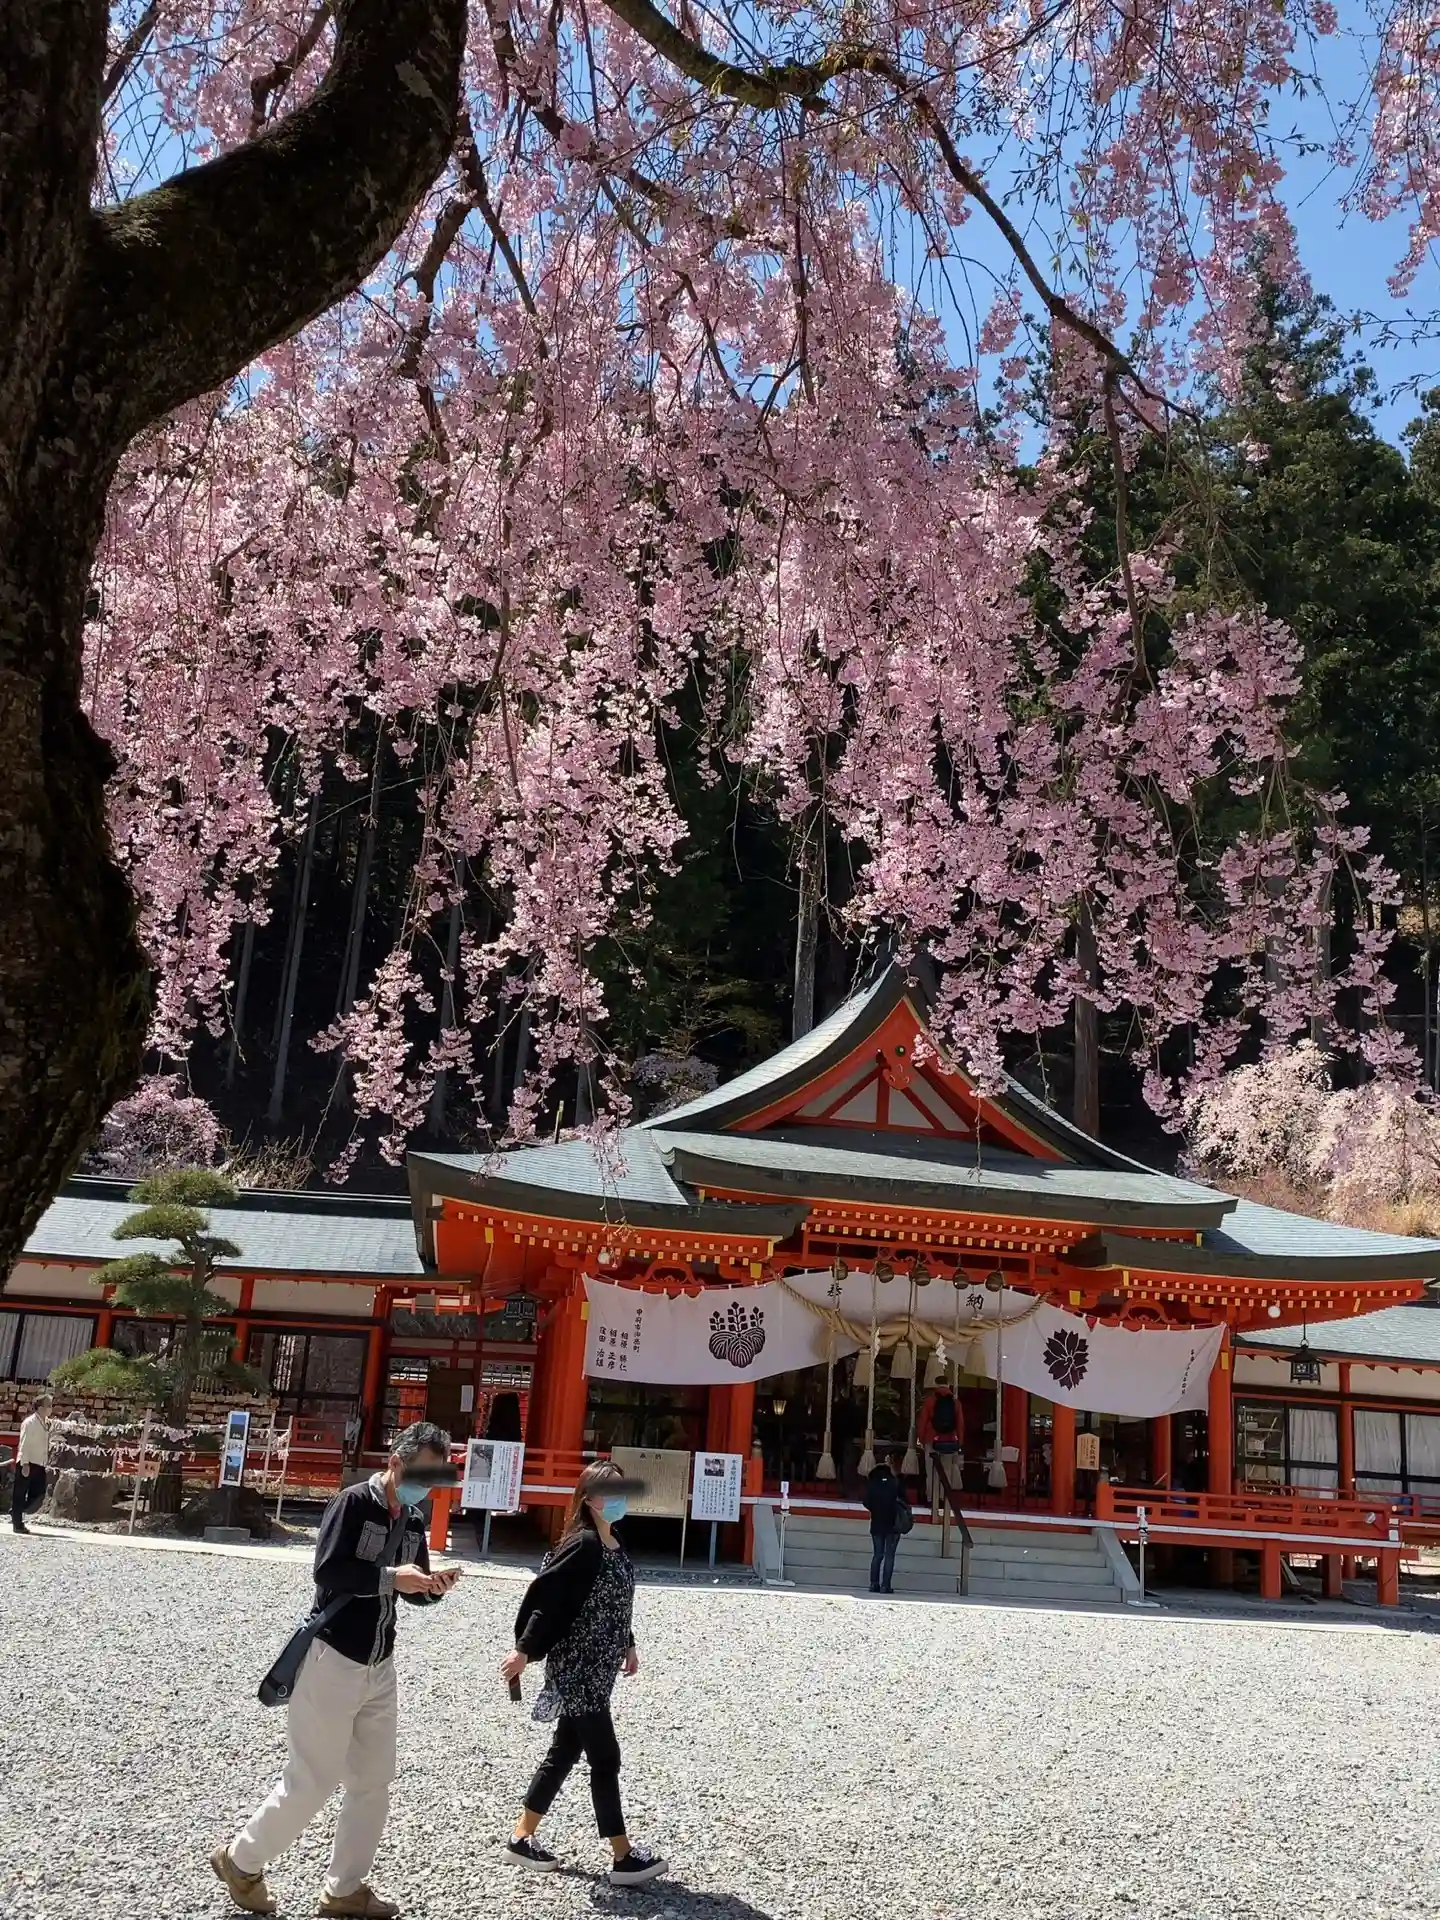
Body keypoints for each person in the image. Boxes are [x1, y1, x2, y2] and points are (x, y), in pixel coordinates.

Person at [210, 1421, 460, 1918]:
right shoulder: (352, 1503)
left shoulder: (413, 1518)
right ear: (396, 1463)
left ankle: (344, 1889)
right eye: (423, 1475)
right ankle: (241, 1860)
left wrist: (432, 1589)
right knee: (313, 1778)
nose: (429, 1486)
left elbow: (409, 1585)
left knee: (373, 1780)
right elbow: (327, 1570)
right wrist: (391, 1578)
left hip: (380, 1663)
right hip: (334, 1658)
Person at [500, 1459, 666, 1886]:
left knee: (565, 1751)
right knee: (605, 1756)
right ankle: (622, 1856)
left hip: (600, 1668)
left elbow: (615, 1603)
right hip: (578, 1669)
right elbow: (547, 1600)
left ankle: (521, 1837)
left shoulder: (615, 1542)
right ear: (589, 1499)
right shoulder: (584, 1545)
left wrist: (628, 1643)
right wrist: (524, 1651)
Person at [862, 1453, 906, 1594]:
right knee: (889, 1556)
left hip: (876, 1522)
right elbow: (904, 1501)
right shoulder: (895, 1482)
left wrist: (875, 1509)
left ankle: (873, 1583)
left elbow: (866, 1502)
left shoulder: (872, 1484)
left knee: (877, 1555)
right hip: (893, 1523)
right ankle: (885, 1585)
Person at [11, 1391, 53, 1534]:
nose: (51, 1408)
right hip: (28, 1462)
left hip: (40, 1463)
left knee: (39, 1493)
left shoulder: (46, 1422)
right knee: (20, 1493)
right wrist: (25, 1463)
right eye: (49, 1406)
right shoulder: (29, 1423)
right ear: (40, 1408)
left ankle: (16, 1510)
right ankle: (17, 1524)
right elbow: (24, 1444)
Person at [918, 1380, 963, 1505]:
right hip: (949, 1440)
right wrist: (959, 1441)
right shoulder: (955, 1403)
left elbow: (923, 1421)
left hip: (931, 1439)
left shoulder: (929, 1401)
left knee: (931, 1470)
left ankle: (931, 1498)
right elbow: (960, 1424)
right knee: (946, 1471)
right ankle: (943, 1498)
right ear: (948, 1385)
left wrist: (922, 1439)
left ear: (936, 1385)